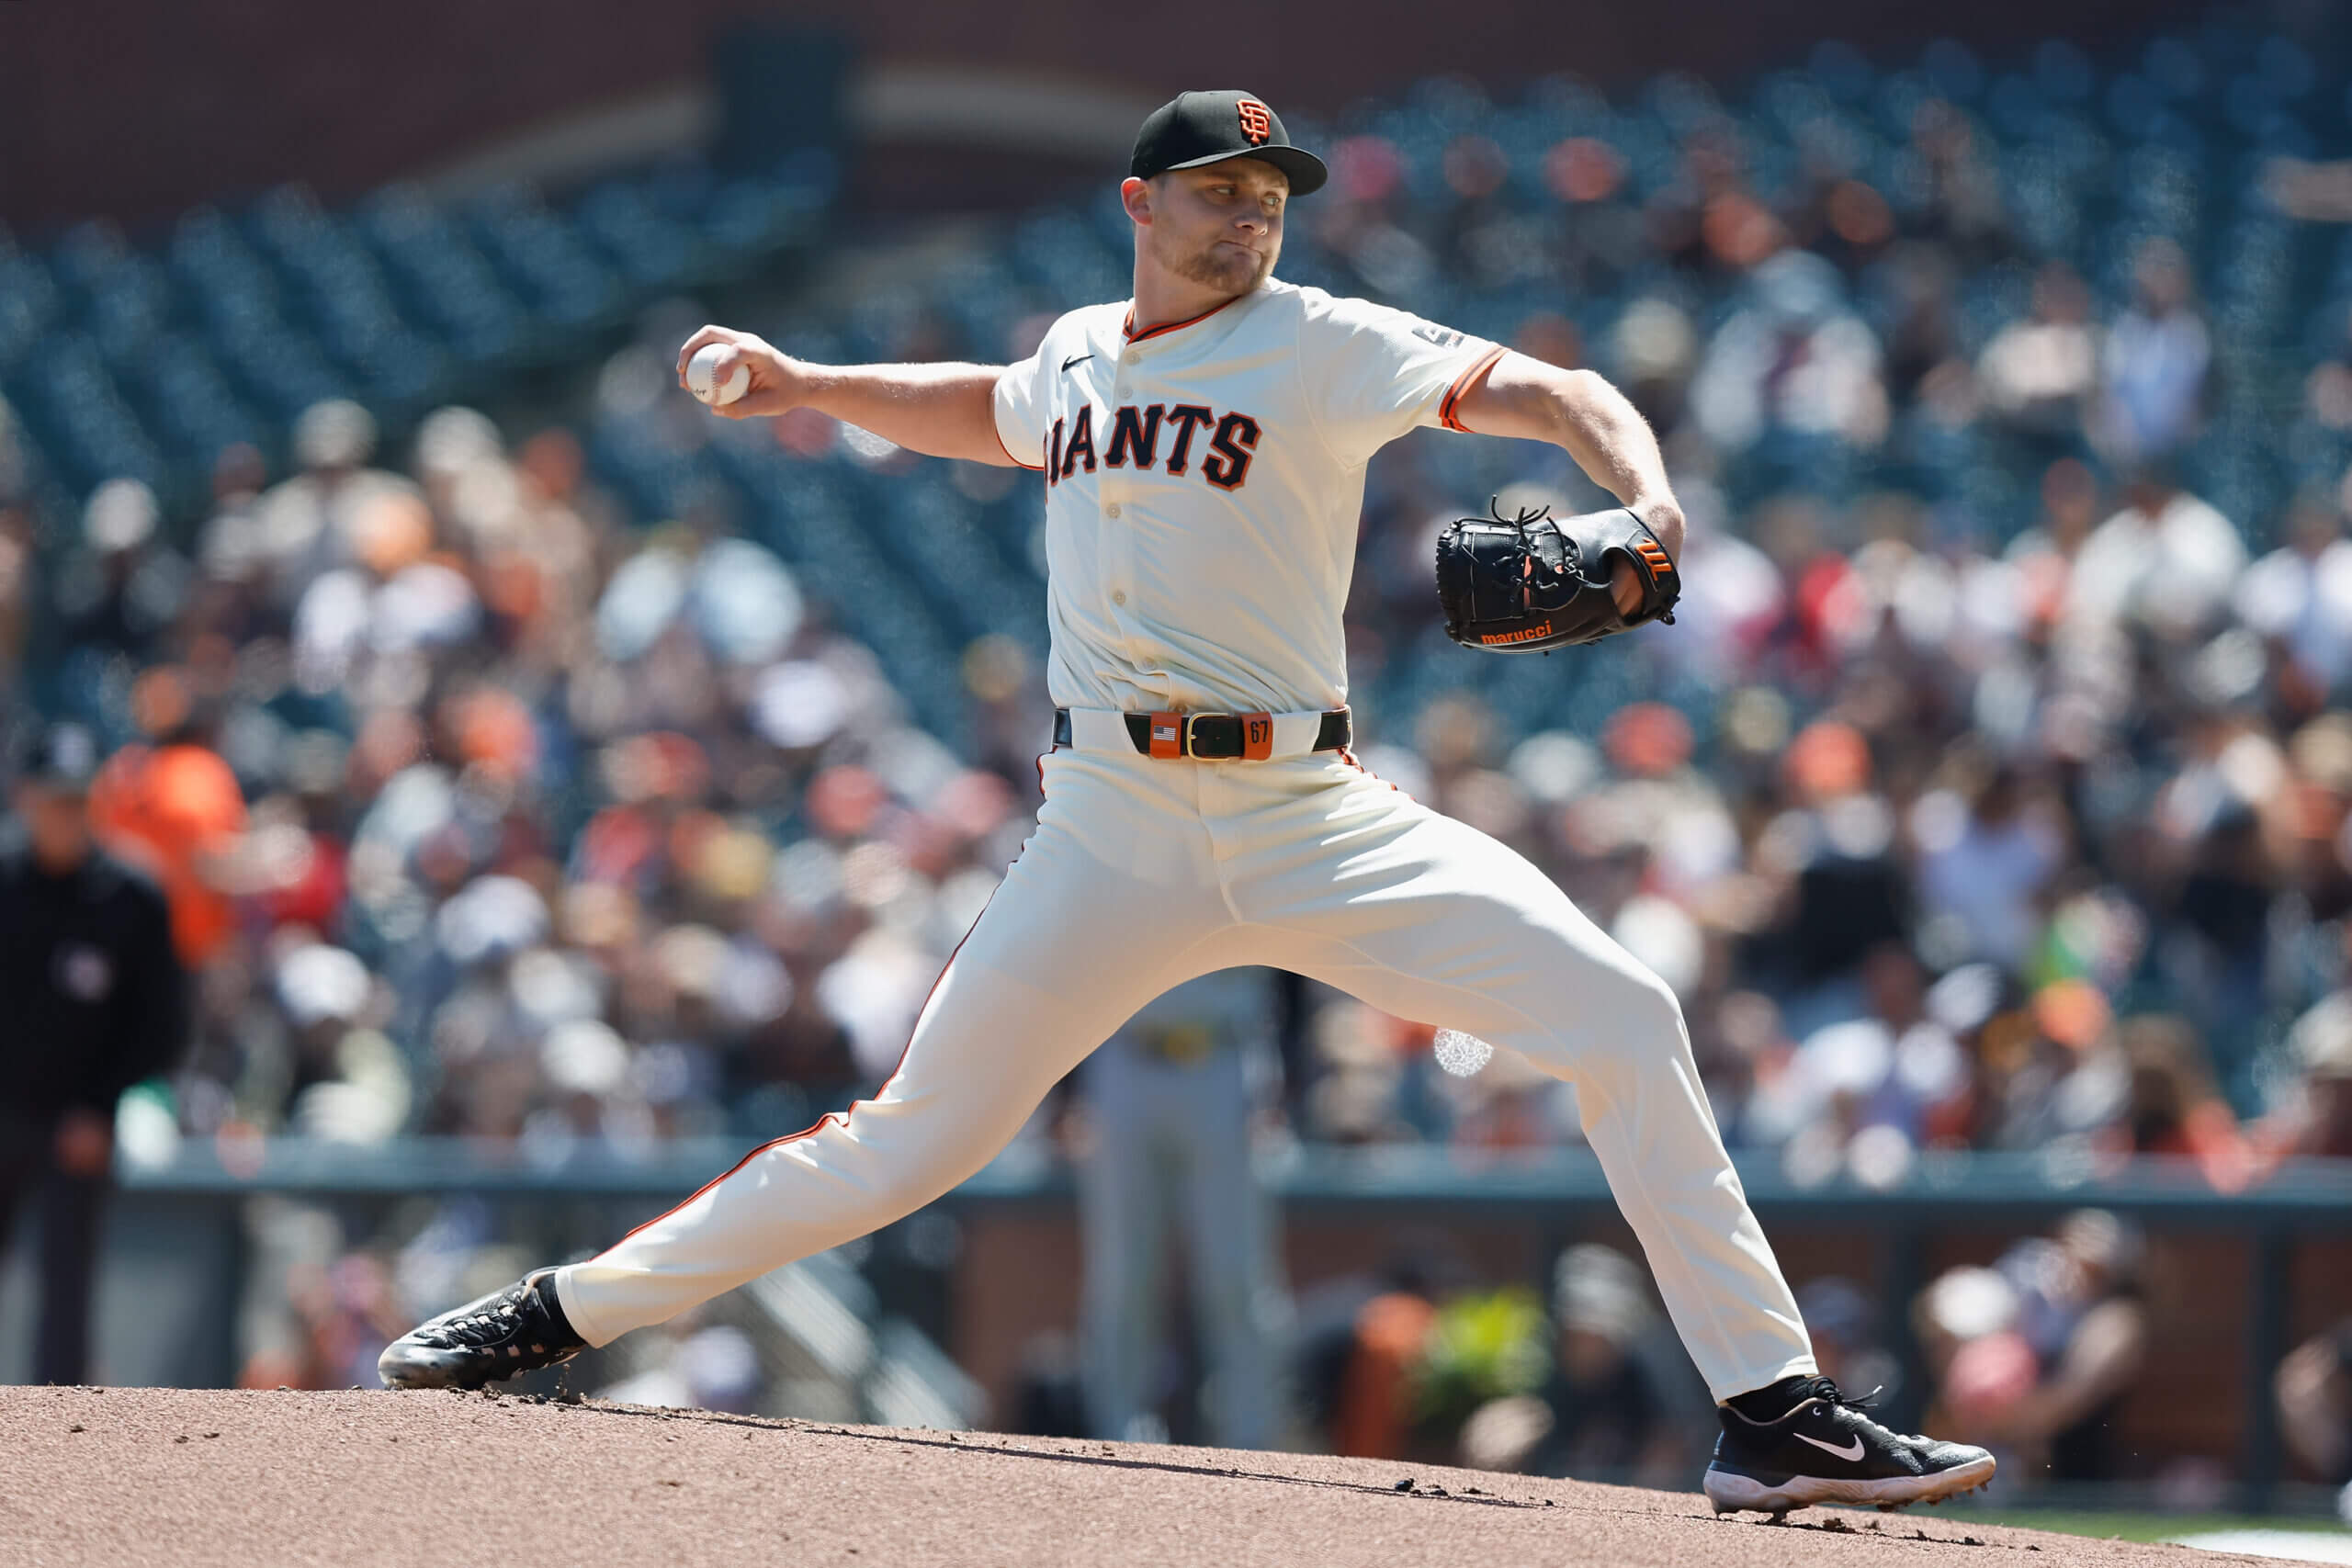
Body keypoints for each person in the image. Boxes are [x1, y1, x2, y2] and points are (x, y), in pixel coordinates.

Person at [380, 88, 1994, 1517]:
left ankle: (1771, 1413)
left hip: (1308, 804)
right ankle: (561, 1309)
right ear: (1142, 205)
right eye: (1221, 190)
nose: (1252, 215)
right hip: (1107, 823)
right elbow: (987, 404)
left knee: (1623, 1011)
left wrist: (1642, 496)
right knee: (913, 1139)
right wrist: (807, 377)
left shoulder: (1326, 341)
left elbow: (1556, 389)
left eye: (1271, 194)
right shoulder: (1079, 351)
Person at [0, 723, 188, 1383]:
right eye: (53, 799)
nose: (65, 814)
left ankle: (60, 1450)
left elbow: (162, 1025)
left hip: (78, 1120)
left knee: (66, 1292)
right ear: (23, 798)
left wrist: (101, 1104)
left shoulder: (131, 894)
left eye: (78, 800)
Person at [1076, 968, 1286, 1450]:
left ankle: (1254, 1446)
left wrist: (1286, 1065)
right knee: (1123, 1274)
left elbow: (1289, 954)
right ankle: (1117, 1438)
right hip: (1126, 1053)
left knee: (1237, 1276)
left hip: (1223, 1055)